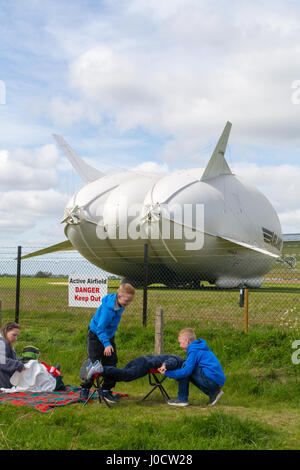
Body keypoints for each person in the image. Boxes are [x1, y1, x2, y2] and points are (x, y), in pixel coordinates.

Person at [80, 283, 136, 402]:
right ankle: (85, 389)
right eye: (127, 300)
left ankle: (106, 390)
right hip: (96, 335)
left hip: (108, 336)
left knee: (111, 362)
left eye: (130, 301)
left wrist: (109, 341)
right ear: (119, 296)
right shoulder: (108, 309)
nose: (128, 303)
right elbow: (100, 328)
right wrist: (106, 344)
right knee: (94, 364)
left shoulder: (120, 304)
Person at [158, 328, 225, 407]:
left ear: (187, 341)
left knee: (185, 366)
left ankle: (182, 399)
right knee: (187, 368)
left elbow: (186, 371)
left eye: (181, 342)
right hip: (216, 381)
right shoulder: (197, 347)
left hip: (213, 381)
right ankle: (214, 394)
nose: (180, 346)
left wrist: (167, 373)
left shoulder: (194, 350)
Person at [82, 354, 185, 383]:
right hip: (145, 364)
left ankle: (95, 370)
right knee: (126, 375)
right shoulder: (179, 361)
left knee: (121, 376)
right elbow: (172, 362)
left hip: (141, 360)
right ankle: (100, 368)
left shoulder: (178, 359)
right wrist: (164, 366)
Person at [0, 322, 25, 389]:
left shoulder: (7, 344)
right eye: (14, 335)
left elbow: (11, 359)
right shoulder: (1, 343)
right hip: (3, 383)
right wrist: (18, 365)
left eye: (17, 336)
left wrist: (23, 361)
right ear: (6, 332)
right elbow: (1, 361)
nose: (16, 338)